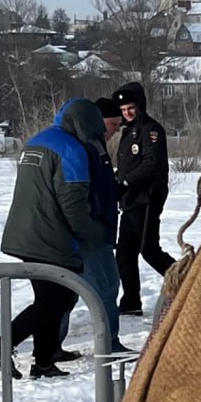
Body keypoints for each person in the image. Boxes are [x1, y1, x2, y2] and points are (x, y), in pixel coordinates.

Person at [0, 99, 109, 379]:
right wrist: (93, 233)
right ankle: (3, 346)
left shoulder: (37, 140)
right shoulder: (71, 150)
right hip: (50, 236)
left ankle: (43, 362)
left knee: (52, 298)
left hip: (24, 230)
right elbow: (72, 203)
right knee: (56, 300)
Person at [55, 97, 130, 357]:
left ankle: (52, 346)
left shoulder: (93, 145)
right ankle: (109, 342)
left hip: (92, 229)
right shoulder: (86, 147)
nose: (115, 131)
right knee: (106, 286)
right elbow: (81, 193)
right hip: (91, 232)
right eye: (113, 124)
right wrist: (92, 228)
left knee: (67, 291)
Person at [113, 81, 175, 317]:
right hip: (130, 200)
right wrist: (118, 181)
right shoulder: (128, 132)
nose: (127, 113)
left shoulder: (151, 130)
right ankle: (130, 301)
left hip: (147, 198)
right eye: (123, 110)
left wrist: (126, 182)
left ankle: (189, 282)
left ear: (140, 106)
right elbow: (127, 164)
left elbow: (151, 165)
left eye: (131, 108)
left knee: (148, 249)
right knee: (125, 253)